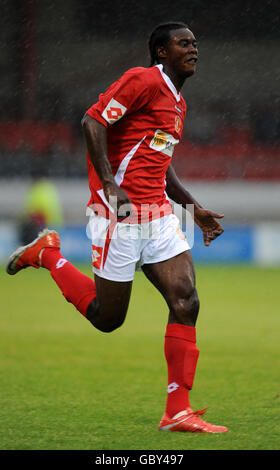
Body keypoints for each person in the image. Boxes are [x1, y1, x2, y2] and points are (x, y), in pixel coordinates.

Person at [6, 22, 228, 433]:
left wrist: (192, 207)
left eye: (196, 43)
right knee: (107, 318)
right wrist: (111, 187)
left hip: (158, 215)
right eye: (183, 43)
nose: (193, 49)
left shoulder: (178, 102)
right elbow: (92, 122)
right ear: (161, 52)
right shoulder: (141, 80)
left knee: (187, 301)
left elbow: (161, 162)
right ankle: (48, 254)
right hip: (118, 215)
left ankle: (177, 411)